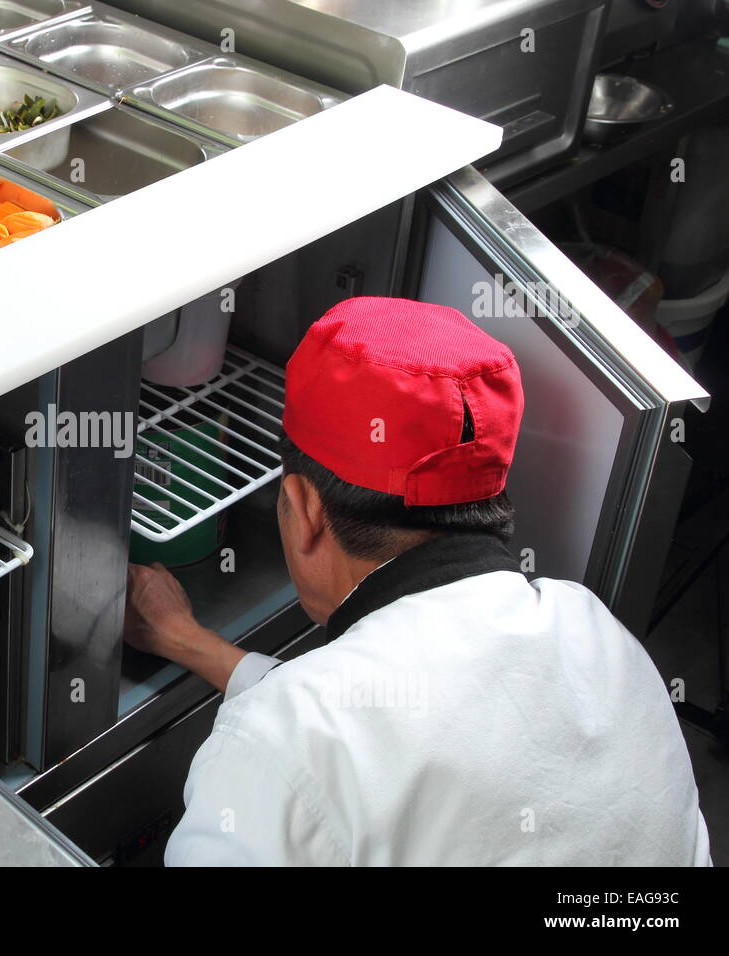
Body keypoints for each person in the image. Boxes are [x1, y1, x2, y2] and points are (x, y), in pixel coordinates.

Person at [125, 297, 712, 866]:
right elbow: (383, 722)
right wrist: (190, 641)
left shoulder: (271, 752)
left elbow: (328, 739)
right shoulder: (598, 632)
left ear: (302, 510)